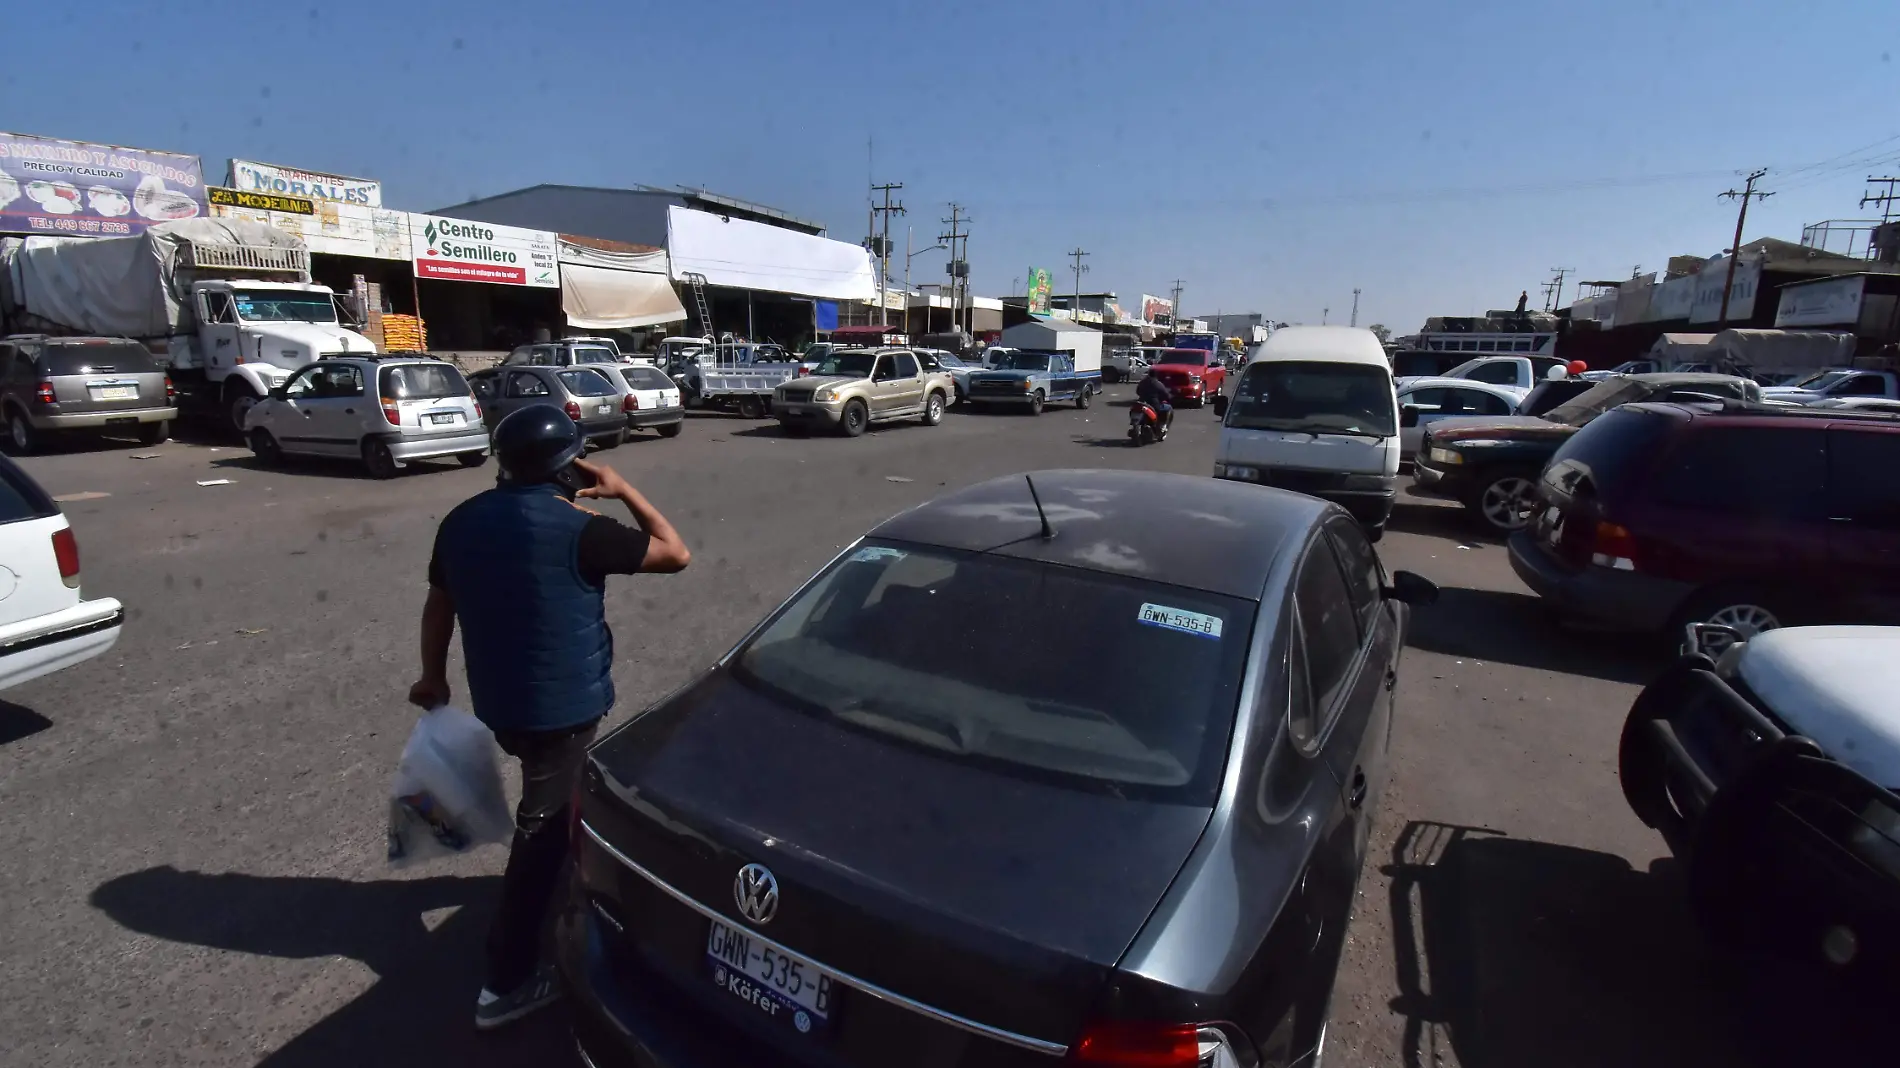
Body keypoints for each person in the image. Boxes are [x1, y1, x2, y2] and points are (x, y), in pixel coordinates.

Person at [409, 404, 690, 1031]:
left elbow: (438, 605)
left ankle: (561, 892)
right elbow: (676, 553)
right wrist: (623, 489)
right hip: (560, 713)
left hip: (500, 706)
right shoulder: (581, 529)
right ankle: (503, 983)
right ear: (568, 469)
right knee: (541, 834)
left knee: (553, 807)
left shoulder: (462, 521)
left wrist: (433, 677)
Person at [1137, 367, 1174, 432]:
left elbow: (1138, 391)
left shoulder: (1142, 382)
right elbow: (1166, 395)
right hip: (1154, 405)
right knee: (1169, 407)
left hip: (1142, 403)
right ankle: (1163, 426)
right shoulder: (1158, 384)